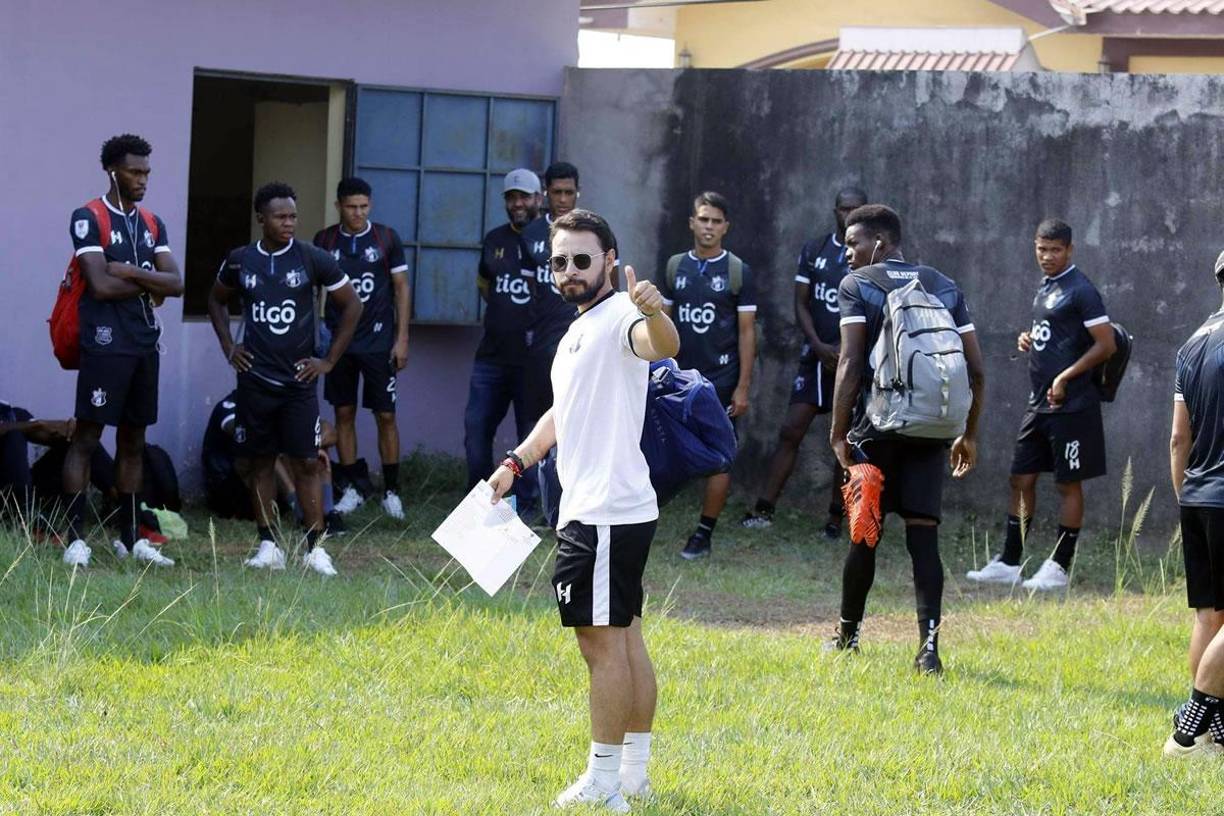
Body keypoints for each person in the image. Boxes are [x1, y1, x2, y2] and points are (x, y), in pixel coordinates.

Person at [488, 208, 679, 810]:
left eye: (581, 259)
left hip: (602, 512)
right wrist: (516, 461)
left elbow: (661, 346)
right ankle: (634, 777)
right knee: (626, 643)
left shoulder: (622, 316)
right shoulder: (580, 326)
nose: (568, 270)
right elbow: (560, 412)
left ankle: (602, 783)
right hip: (614, 509)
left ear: (610, 262)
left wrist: (653, 308)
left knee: (601, 649)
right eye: (559, 261)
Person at [829, 204, 984, 675]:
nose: (847, 254)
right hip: (928, 433)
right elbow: (976, 370)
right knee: (924, 542)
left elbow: (851, 364)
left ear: (879, 242)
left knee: (864, 537)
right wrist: (968, 434)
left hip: (874, 434)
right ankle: (929, 650)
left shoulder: (858, 286)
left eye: (853, 244)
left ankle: (847, 637)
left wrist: (838, 432)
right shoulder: (944, 285)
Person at [206, 182, 362, 576]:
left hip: (298, 383)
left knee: (307, 463)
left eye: (293, 216)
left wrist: (327, 360)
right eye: (280, 217)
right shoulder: (241, 260)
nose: (289, 223)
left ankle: (316, 548)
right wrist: (229, 347)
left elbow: (352, 305)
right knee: (258, 462)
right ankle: (268, 545)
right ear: (262, 218)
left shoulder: (312, 258)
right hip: (255, 381)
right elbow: (215, 299)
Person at [967, 219, 1115, 591]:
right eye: (1041, 249)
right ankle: (1010, 562)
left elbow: (1106, 344)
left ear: (1070, 250)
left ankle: (1059, 568)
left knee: (1068, 484)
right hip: (1039, 403)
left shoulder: (1082, 290)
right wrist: (1031, 340)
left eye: (1055, 250)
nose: (1047, 257)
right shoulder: (1046, 288)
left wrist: (1065, 378)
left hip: (1073, 404)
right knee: (1020, 478)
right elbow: (1059, 334)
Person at [62, 133, 182, 568]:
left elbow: (178, 282)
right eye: (135, 171)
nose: (143, 179)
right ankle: (75, 539)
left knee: (134, 440)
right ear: (113, 171)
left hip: (144, 342)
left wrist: (130, 270)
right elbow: (99, 284)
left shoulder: (152, 223)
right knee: (88, 439)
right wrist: (149, 281)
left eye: (147, 172)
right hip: (105, 344)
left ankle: (131, 539)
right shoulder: (88, 216)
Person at [742, 186, 866, 536]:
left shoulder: (870, 256)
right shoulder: (816, 250)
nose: (849, 215)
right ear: (834, 211)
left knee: (845, 440)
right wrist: (818, 345)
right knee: (791, 430)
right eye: (844, 209)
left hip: (852, 362)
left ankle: (834, 520)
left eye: (856, 209)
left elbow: (874, 310)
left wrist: (844, 349)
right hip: (815, 357)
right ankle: (764, 510)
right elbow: (800, 303)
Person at [658, 191, 757, 560]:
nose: (709, 227)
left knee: (720, 454)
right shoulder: (674, 267)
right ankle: (643, 515)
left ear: (725, 227)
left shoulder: (737, 271)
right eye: (703, 219)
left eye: (716, 221)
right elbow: (661, 323)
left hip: (722, 379)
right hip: (678, 377)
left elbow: (747, 331)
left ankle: (703, 532)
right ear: (692, 223)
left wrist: (743, 387)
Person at [313, 177, 411, 520]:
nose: (358, 213)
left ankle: (391, 491)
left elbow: (401, 288)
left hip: (379, 341)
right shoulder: (324, 240)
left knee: (385, 414)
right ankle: (353, 486)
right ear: (339, 206)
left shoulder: (385, 238)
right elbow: (313, 292)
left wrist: (402, 338)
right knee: (343, 413)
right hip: (339, 343)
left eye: (364, 207)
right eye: (351, 207)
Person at [1165, 251, 1224, 757]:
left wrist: (1186, 496)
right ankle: (1190, 726)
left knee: (1210, 615)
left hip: (1198, 495)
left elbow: (1178, 438)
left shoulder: (1192, 343)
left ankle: (1213, 732)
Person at [463, 169, 540, 515]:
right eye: (512, 197)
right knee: (476, 429)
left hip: (533, 360)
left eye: (524, 196)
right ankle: (482, 502)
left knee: (532, 437)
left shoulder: (551, 239)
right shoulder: (494, 239)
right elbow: (485, 287)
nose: (518, 203)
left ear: (538, 199)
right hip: (491, 356)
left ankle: (524, 505)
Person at [202, 389, 345, 534]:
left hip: (272, 489)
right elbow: (250, 437)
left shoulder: (283, 405)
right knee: (263, 450)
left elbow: (330, 431)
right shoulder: (229, 407)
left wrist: (313, 446)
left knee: (313, 447)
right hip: (234, 492)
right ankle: (298, 509)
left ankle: (328, 513)